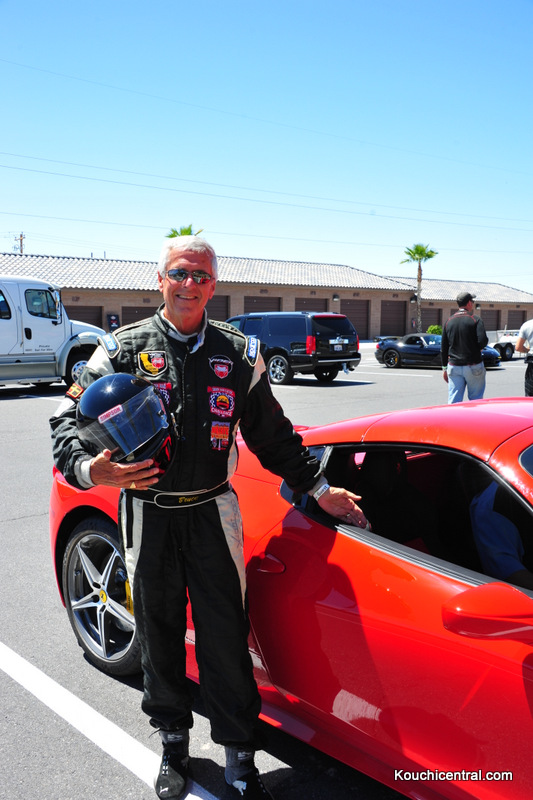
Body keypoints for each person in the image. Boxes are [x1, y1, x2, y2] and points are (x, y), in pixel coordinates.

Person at [50, 235, 367, 800]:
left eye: (200, 275)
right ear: (160, 279)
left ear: (214, 284)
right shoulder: (121, 349)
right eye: (179, 273)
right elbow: (65, 417)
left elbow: (273, 435)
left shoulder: (239, 354)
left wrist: (318, 488)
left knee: (225, 636)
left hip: (213, 510)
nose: (189, 284)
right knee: (158, 631)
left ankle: (239, 760)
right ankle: (173, 745)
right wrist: (89, 470)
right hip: (147, 512)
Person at [441, 291, 488, 404]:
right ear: (469, 303)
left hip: (454, 366)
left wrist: (444, 368)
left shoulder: (449, 321)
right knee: (476, 400)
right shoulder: (475, 319)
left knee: (454, 400)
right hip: (473, 364)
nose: (473, 303)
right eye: (472, 301)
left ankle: (453, 416)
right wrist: (477, 348)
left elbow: (444, 347)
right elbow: (482, 341)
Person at [515, 318, 533, 396]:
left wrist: (527, 349)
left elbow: (518, 347)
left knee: (530, 397)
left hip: (532, 364)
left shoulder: (527, 325)